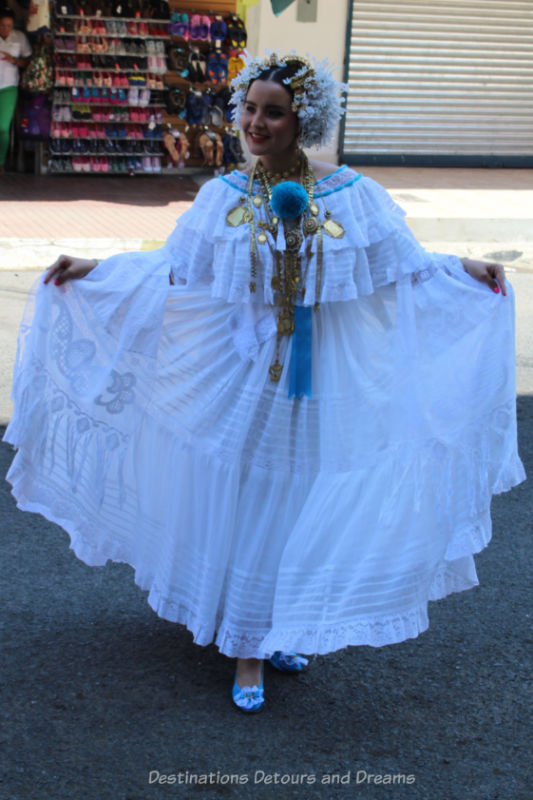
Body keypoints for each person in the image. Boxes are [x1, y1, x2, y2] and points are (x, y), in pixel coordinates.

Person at [4, 52, 525, 713]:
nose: (255, 122)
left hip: (317, 385)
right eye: (249, 109)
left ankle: (280, 623)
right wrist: (94, 268)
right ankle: (246, 644)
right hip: (236, 381)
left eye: (272, 112)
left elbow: (406, 269)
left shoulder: (352, 196)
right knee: (247, 495)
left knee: (296, 500)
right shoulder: (220, 196)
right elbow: (172, 270)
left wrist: (467, 266)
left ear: (301, 120)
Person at [0, 8, 31, 173]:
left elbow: (28, 61)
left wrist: (14, 60)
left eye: (8, 25)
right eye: (2, 25)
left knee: (3, 127)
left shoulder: (19, 38)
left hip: (8, 86)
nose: (5, 28)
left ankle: (0, 161)